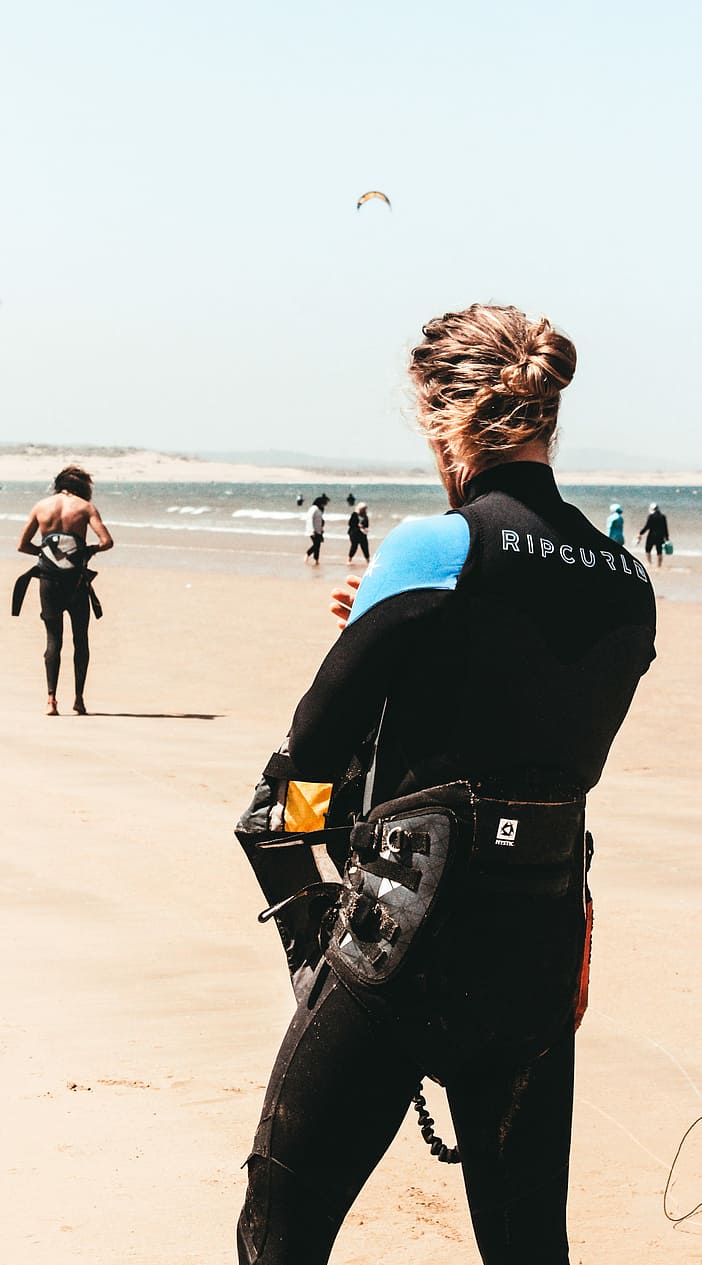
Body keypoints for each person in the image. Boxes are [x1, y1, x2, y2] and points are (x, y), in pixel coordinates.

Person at [236, 304, 656, 1265]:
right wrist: (391, 630)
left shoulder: (435, 548)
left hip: (404, 949)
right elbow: (515, 721)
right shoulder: (630, 579)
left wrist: (318, 953)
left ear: (443, 419)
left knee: (280, 1232)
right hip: (542, 956)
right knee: (526, 1249)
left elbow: (295, 786)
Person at [15, 465, 114, 716]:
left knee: (53, 640)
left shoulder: (41, 507)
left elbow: (22, 545)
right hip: (76, 582)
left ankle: (51, 701)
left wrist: (46, 553)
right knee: (81, 640)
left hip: (48, 581)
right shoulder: (86, 508)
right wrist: (87, 551)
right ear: (84, 487)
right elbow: (107, 542)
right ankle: (79, 700)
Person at [636, 501, 669, 567]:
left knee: (648, 549)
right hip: (660, 536)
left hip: (652, 535)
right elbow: (665, 528)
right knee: (659, 551)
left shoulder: (651, 516)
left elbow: (647, 526)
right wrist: (667, 537)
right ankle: (659, 565)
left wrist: (641, 533)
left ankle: (650, 563)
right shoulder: (663, 516)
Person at [304, 495, 329, 566]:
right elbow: (310, 519)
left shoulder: (320, 509)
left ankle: (316, 560)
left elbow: (320, 520)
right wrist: (312, 530)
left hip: (318, 530)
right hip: (312, 530)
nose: (324, 505)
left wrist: (321, 529)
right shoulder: (313, 508)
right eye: (324, 503)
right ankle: (308, 555)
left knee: (318, 545)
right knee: (316, 544)